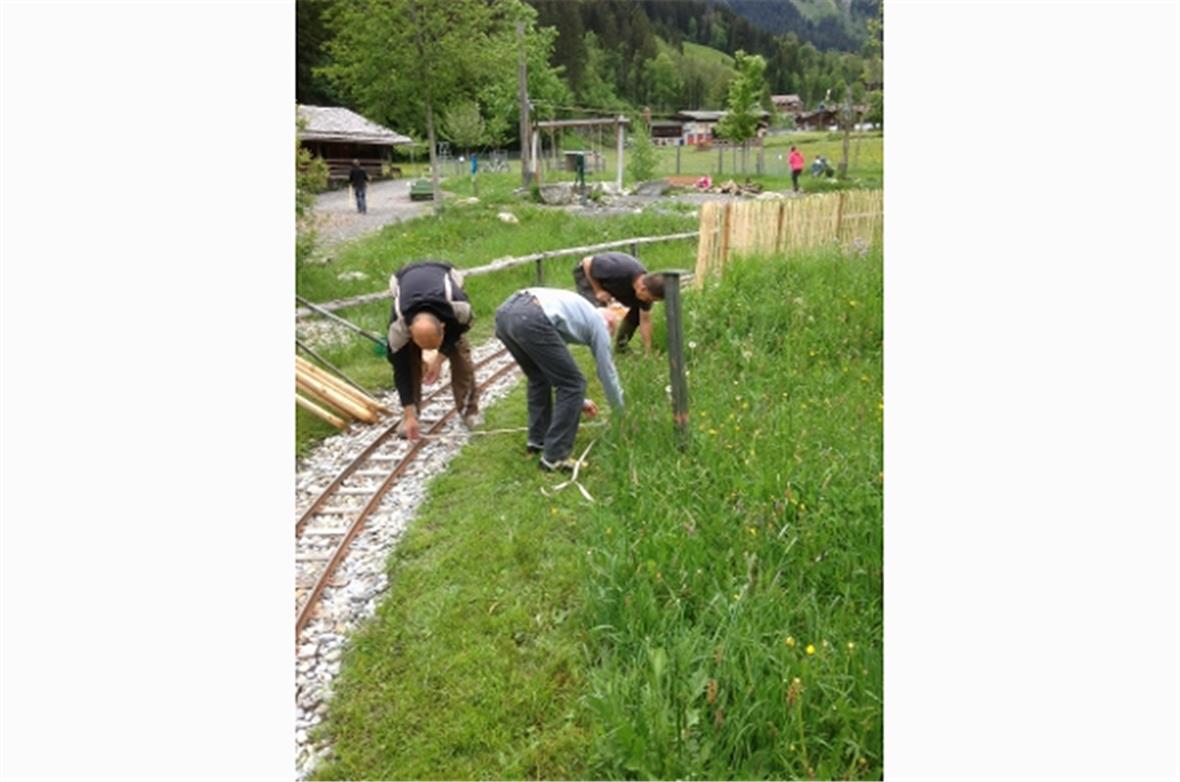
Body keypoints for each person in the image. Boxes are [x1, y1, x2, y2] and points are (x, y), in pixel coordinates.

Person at [494, 287, 624, 472]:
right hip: (531, 315)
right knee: (574, 384)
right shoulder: (599, 324)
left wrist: (580, 401)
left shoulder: (578, 313)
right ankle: (555, 457)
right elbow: (607, 373)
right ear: (610, 324)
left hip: (505, 314)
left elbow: (553, 368)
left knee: (539, 378)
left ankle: (537, 442)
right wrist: (621, 413)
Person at [385, 260, 478, 440]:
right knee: (408, 361)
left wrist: (439, 358)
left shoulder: (460, 310)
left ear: (443, 327)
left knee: (461, 357)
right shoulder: (398, 327)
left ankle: (469, 411)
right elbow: (400, 370)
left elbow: (457, 333)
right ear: (410, 333)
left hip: (445, 273)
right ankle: (411, 415)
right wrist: (409, 414)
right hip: (402, 279)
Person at [572, 252, 665, 354]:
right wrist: (598, 290)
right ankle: (602, 353)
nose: (649, 302)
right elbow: (587, 262)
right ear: (643, 289)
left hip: (613, 282)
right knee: (600, 316)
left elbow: (645, 320)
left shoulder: (647, 287)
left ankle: (621, 347)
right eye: (649, 299)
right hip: (589, 275)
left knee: (637, 312)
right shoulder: (618, 270)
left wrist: (648, 352)